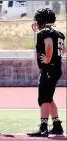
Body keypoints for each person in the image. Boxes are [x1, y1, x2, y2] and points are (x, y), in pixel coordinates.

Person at [27, 8, 66, 137]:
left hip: (48, 69)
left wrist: (48, 59)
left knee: (43, 98)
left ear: (42, 20)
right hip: (56, 69)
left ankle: (43, 127)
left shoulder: (45, 33)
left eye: (37, 20)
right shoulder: (58, 33)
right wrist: (54, 58)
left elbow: (48, 44)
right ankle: (57, 125)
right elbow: (63, 49)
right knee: (49, 98)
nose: (36, 23)